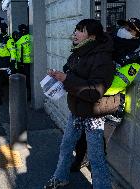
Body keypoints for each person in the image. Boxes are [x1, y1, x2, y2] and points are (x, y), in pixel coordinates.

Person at [43, 19, 115, 189]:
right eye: (76, 29)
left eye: (80, 30)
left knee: (96, 157)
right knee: (66, 146)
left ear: (92, 36)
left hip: (94, 113)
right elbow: (68, 69)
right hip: (76, 110)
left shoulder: (103, 58)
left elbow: (94, 91)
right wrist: (57, 75)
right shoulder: (77, 52)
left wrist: (67, 79)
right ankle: (61, 177)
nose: (75, 33)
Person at [71, 17, 140, 172]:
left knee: (98, 148)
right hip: (89, 102)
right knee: (81, 141)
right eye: (124, 26)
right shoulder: (106, 43)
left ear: (136, 37)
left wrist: (88, 81)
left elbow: (115, 84)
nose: (123, 30)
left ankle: (98, 179)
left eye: (129, 29)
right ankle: (80, 161)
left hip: (110, 108)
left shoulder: (134, 60)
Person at [0, 23, 16, 105]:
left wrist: (12, 64)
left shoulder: (9, 39)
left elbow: (13, 52)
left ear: (2, 29)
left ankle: (15, 99)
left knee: (11, 84)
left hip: (6, 66)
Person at [16, 24, 32, 100]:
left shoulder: (21, 39)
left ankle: (25, 95)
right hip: (30, 61)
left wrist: (20, 63)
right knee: (29, 79)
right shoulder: (30, 37)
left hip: (23, 63)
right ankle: (29, 95)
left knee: (24, 80)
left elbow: (20, 52)